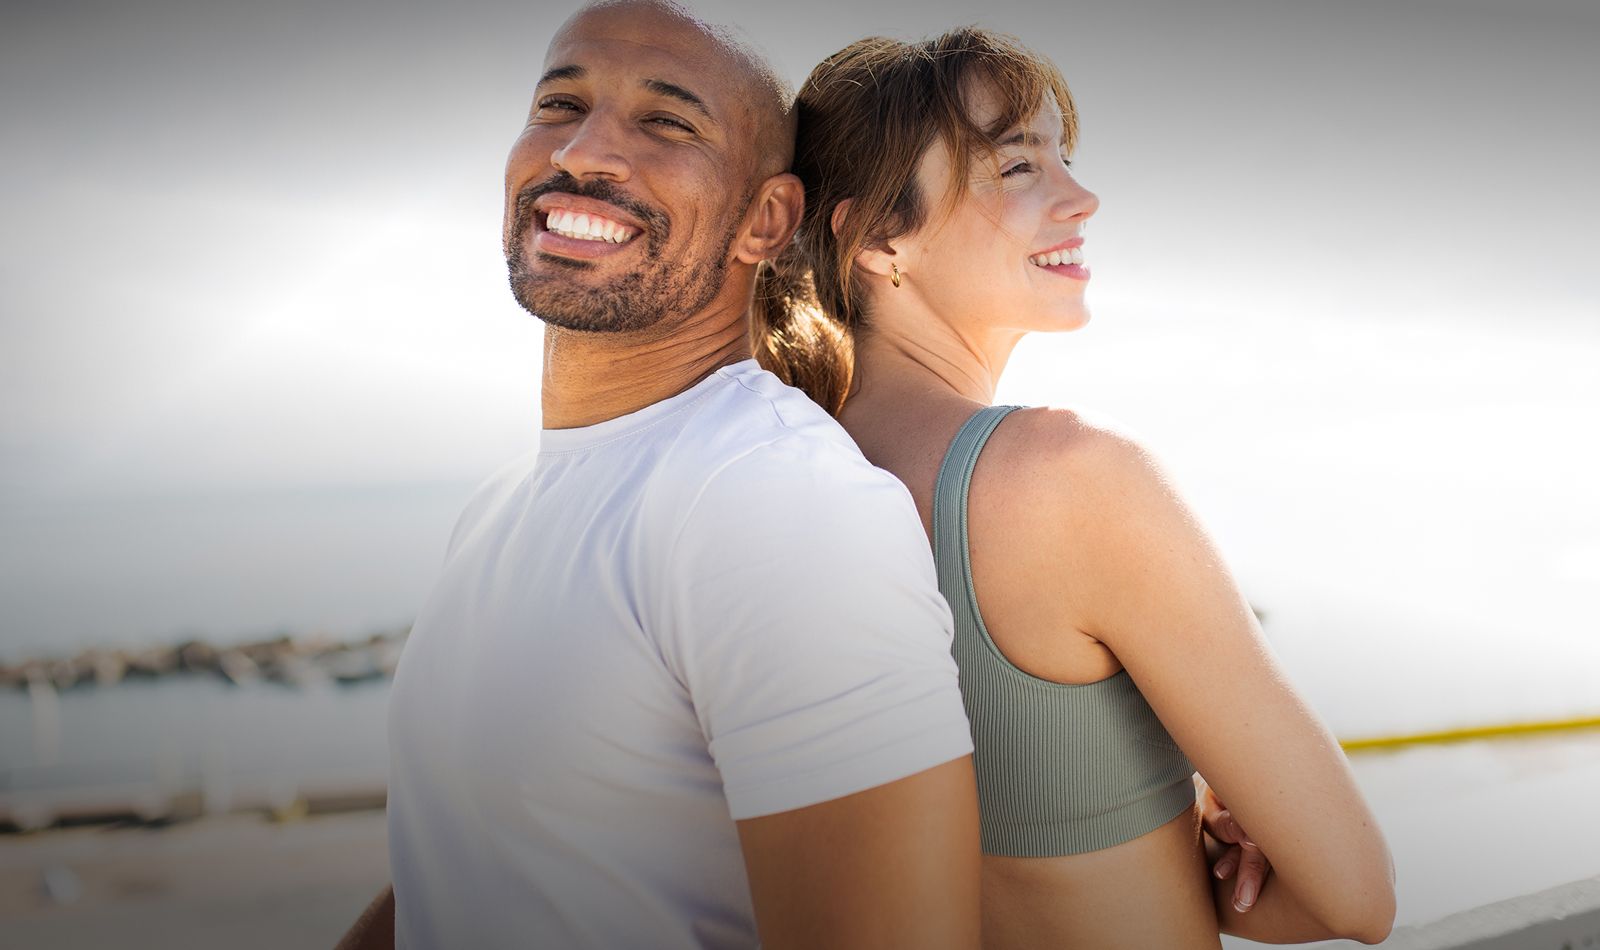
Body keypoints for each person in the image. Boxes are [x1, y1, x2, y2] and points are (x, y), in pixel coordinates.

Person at [340, 3, 987, 948]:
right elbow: (461, 874)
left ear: (766, 221)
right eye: (560, 104)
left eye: (668, 121)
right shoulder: (504, 502)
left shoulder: (775, 501)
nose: (586, 151)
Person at [754, 28, 1397, 948]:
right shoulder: (1069, 480)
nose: (1082, 197)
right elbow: (1355, 898)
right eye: (1017, 168)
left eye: (1064, 156)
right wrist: (1214, 846)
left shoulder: (782, 481)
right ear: (877, 241)